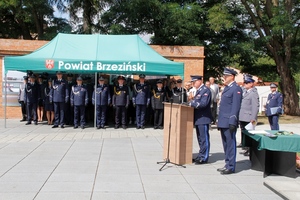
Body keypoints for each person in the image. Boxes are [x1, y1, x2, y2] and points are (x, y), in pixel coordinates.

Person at [217, 68, 242, 175]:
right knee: (226, 144)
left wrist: (233, 121)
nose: (224, 78)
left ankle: (231, 166)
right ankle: (227, 163)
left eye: (226, 76)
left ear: (232, 76)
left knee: (230, 144)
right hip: (223, 121)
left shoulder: (236, 89)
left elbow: (235, 107)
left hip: (229, 121)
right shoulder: (227, 88)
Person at [189, 75, 212, 164]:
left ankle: (204, 157)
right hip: (198, 118)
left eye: (195, 82)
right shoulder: (199, 91)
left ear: (200, 81)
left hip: (203, 118)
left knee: (204, 138)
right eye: (193, 82)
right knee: (200, 138)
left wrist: (192, 103)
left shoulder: (205, 90)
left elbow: (203, 104)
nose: (193, 84)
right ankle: (201, 154)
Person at [238, 74, 259, 156]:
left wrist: (253, 117)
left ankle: (250, 149)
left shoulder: (253, 93)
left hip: (249, 116)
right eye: (244, 83)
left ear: (251, 84)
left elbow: (255, 106)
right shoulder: (244, 92)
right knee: (243, 132)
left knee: (249, 133)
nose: (245, 84)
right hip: (242, 116)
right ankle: (245, 147)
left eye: (247, 83)